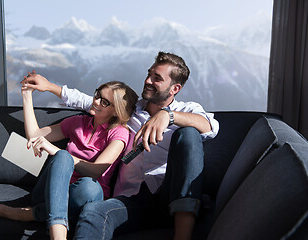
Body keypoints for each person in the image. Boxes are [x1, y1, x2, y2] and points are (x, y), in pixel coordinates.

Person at [20, 52, 219, 240]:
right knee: (94, 211)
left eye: (157, 78)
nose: (148, 81)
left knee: (189, 133)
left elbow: (211, 125)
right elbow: (92, 102)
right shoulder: (130, 111)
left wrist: (169, 116)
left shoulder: (187, 110)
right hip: (131, 201)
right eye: (148, 74)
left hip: (168, 195)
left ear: (175, 88)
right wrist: (49, 86)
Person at [0, 80, 139, 240]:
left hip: (83, 197)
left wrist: (54, 150)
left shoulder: (119, 133)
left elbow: (97, 170)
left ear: (116, 111)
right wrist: (27, 96)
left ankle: (32, 214)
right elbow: (34, 135)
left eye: (104, 102)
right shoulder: (78, 122)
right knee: (63, 157)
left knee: (89, 186)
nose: (96, 101)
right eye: (97, 95)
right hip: (50, 191)